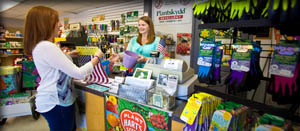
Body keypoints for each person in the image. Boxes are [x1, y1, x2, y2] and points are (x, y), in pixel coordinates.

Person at [23, 6, 107, 131]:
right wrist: (97, 57)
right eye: (56, 21)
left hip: (53, 100)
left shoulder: (41, 46)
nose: (60, 24)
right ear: (44, 24)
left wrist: (67, 55)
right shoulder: (47, 46)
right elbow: (78, 73)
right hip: (57, 102)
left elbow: (53, 65)